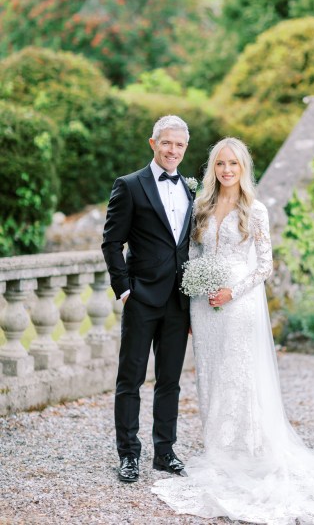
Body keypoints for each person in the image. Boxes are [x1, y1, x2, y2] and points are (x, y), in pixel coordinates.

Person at [152, 138, 314, 524]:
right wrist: (196, 288)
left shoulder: (255, 210)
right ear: (212, 169)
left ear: (243, 168)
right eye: (220, 164)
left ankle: (247, 452)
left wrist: (232, 291)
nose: (227, 170)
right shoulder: (201, 207)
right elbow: (194, 255)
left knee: (240, 378)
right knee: (211, 378)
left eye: (233, 164)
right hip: (204, 306)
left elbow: (264, 266)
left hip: (239, 303)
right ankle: (218, 450)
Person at [102, 115, 195, 483]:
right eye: (167, 143)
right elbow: (111, 241)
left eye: (180, 145)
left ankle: (164, 451)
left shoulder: (190, 189)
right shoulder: (129, 185)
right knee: (131, 379)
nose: (173, 150)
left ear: (185, 149)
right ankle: (128, 455)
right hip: (141, 298)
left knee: (170, 381)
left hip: (178, 302)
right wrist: (125, 289)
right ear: (153, 143)